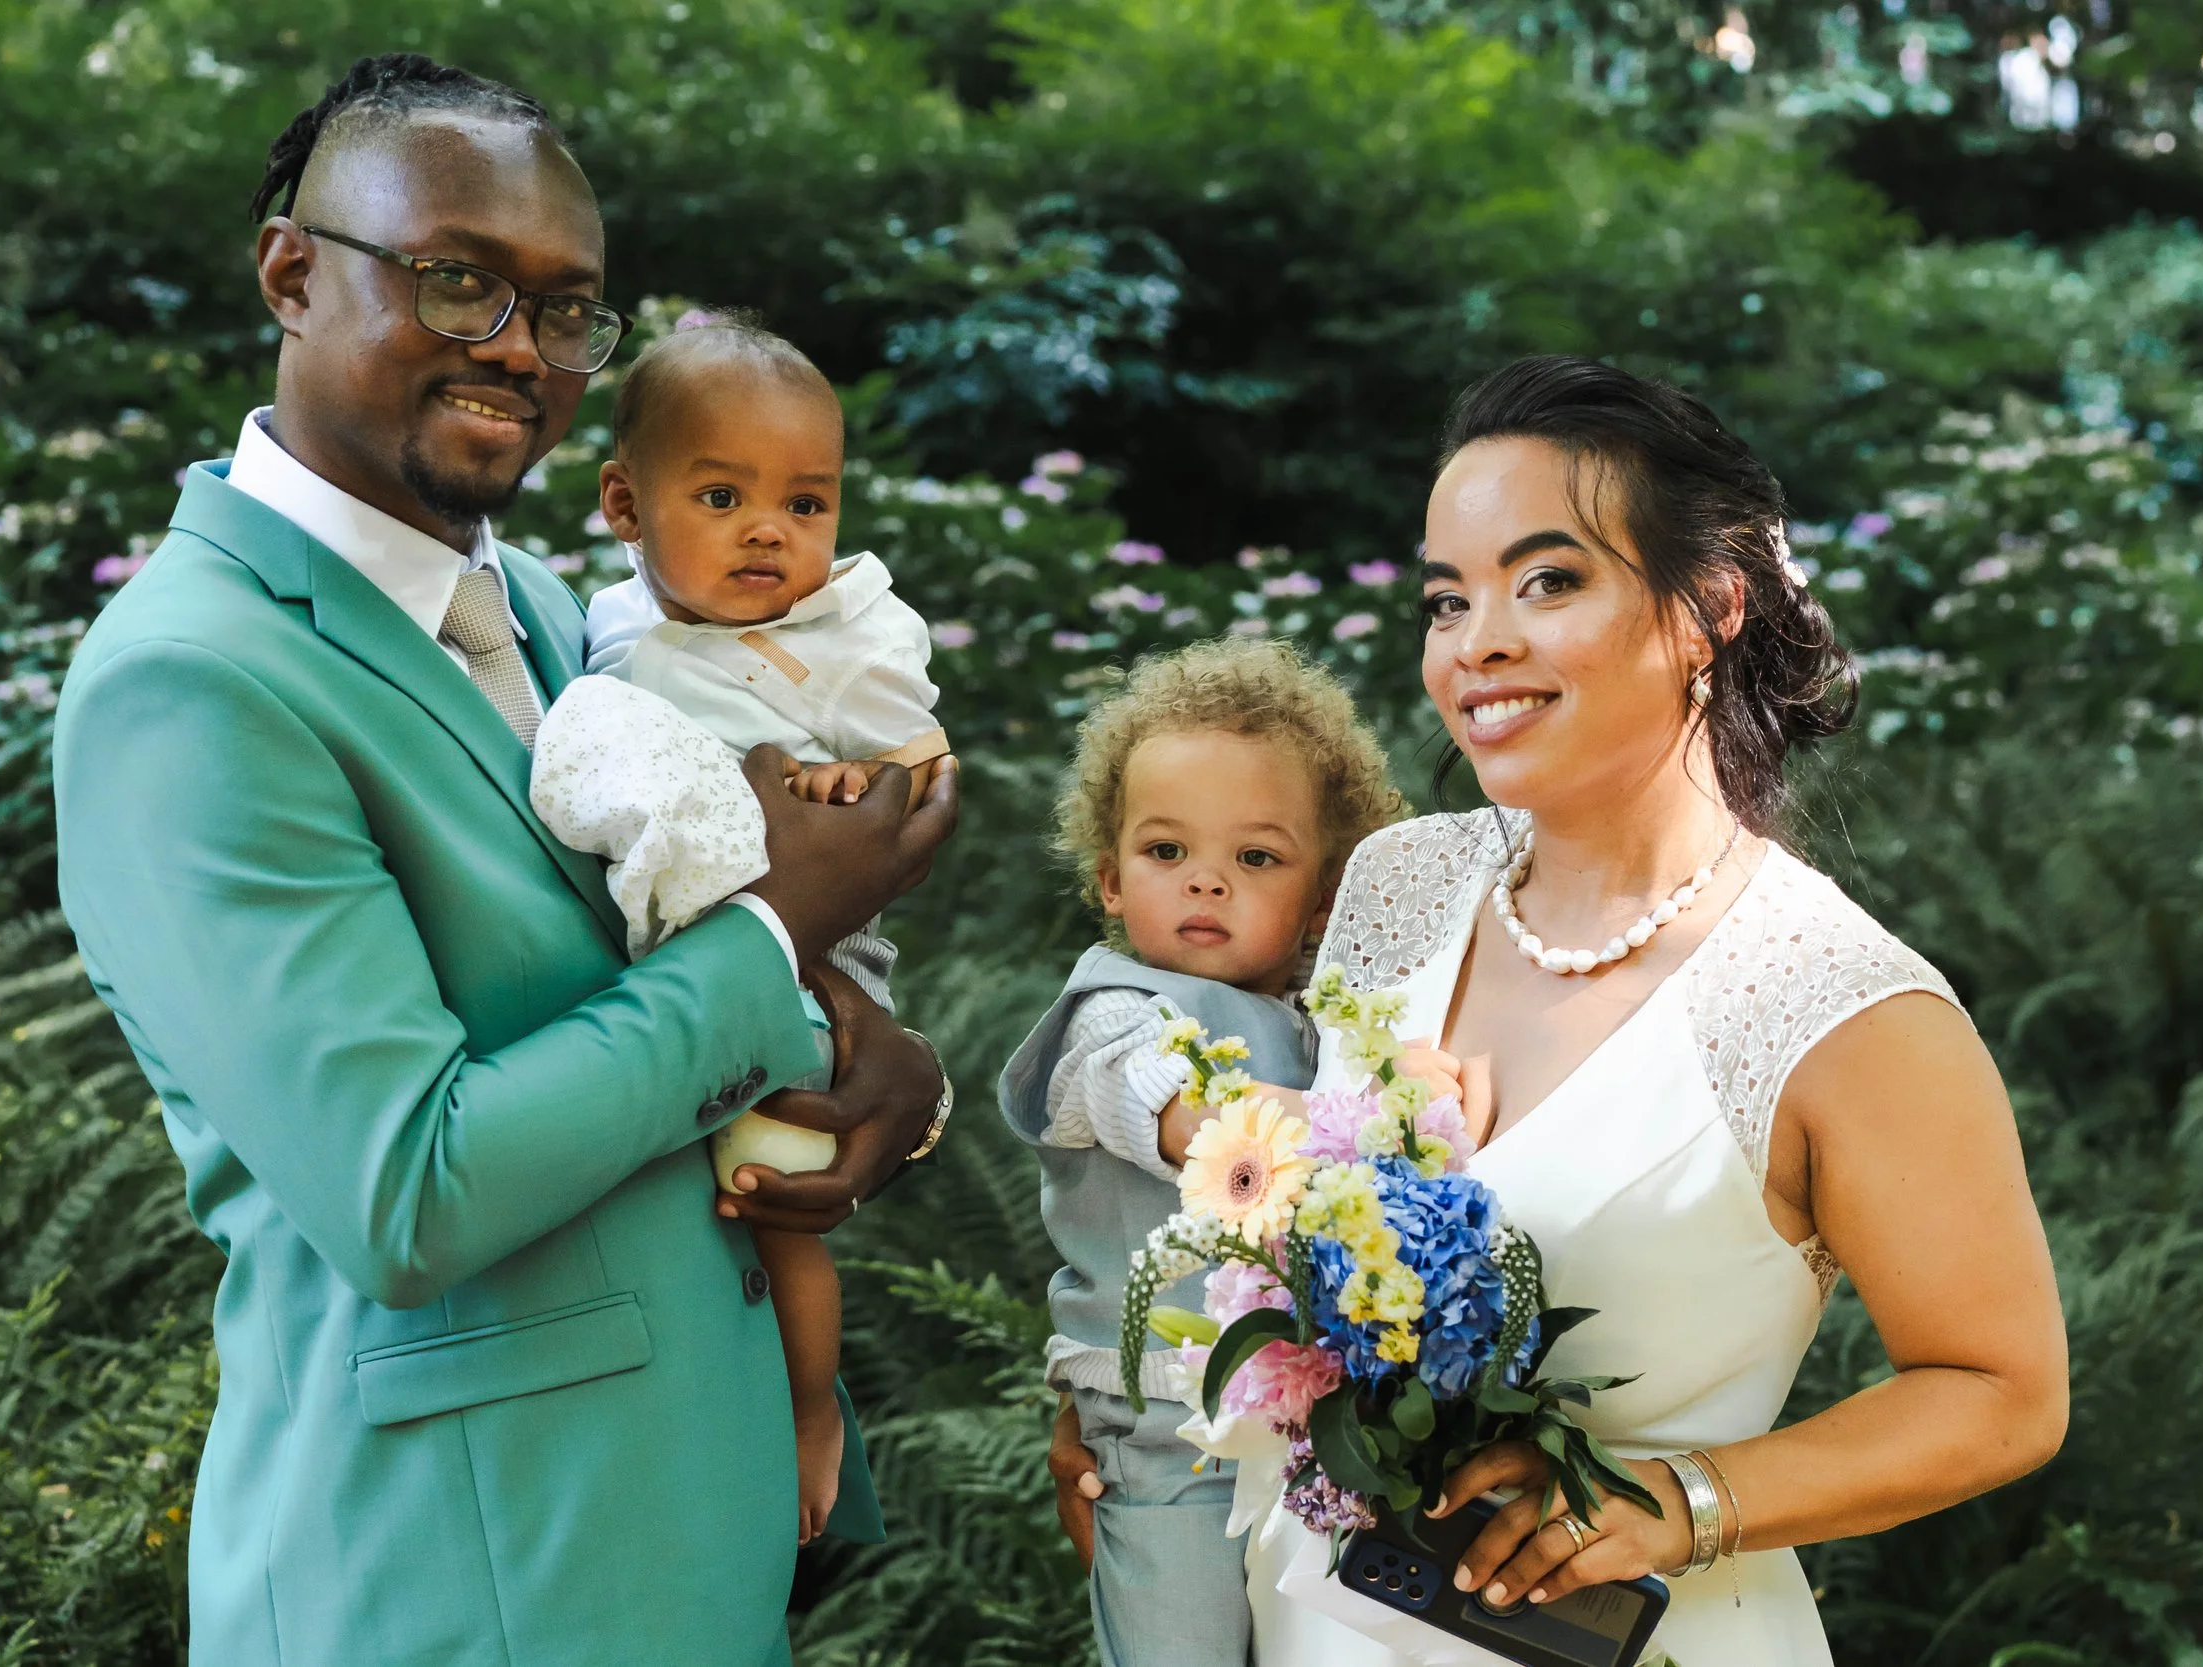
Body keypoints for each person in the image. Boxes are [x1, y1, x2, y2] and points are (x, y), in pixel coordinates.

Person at [50, 53, 957, 1667]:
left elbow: (655, 963)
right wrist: (767, 942)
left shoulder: (553, 608)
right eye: (459, 283)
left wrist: (856, 1051)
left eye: (562, 311)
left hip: (676, 1536)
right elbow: (409, 1185)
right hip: (448, 1586)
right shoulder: (189, 682)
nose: (518, 352)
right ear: (292, 271)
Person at [1245, 356, 2066, 1665]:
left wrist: (1681, 1502)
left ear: (1707, 609)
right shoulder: (1401, 886)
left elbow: (2002, 1390)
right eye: (1448, 598)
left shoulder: (1839, 1004)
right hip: (1317, 1619)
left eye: (1549, 579)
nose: (1479, 641)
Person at [528, 314, 951, 1542]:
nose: (770, 530)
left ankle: (811, 1407)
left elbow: (921, 784)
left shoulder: (834, 640)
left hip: (814, 949)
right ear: (625, 502)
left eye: (806, 503)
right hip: (668, 954)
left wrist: (846, 788)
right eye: (721, 494)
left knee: (773, 1192)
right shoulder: (595, 623)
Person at [1002, 638, 1426, 1667]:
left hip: (1306, 1420)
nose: (1205, 883)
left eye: (1255, 858)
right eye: (1164, 853)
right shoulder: (1109, 1014)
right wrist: (1352, 1128)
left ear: (1322, 899)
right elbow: (1175, 1109)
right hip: (1162, 1425)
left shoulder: (1323, 1023)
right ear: (1108, 877)